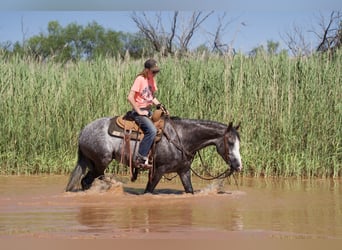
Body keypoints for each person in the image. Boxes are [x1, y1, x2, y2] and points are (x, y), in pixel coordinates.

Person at [127, 59, 168, 169]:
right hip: (139, 112)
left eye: (156, 72)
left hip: (149, 111)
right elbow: (130, 97)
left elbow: (151, 97)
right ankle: (140, 159)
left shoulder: (152, 80)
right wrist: (138, 110)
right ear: (147, 70)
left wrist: (161, 106)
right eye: (153, 71)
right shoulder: (140, 79)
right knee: (152, 131)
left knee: (165, 126)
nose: (155, 74)